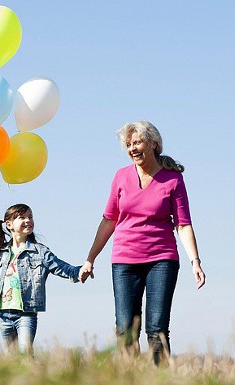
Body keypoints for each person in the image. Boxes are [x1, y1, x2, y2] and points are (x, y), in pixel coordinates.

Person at [78, 120, 206, 365]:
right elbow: (108, 221)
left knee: (156, 328)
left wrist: (195, 262)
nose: (132, 148)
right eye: (128, 144)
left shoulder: (173, 180)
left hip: (162, 260)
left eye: (137, 142)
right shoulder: (120, 177)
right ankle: (130, 377)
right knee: (125, 328)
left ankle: (159, 378)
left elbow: (183, 224)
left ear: (153, 144)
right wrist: (90, 259)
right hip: (124, 261)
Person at [0, 203, 83, 355]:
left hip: (26, 313)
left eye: (30, 217)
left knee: (25, 354)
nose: (28, 220)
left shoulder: (39, 252)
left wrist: (80, 271)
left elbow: (63, 268)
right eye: (22, 217)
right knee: (12, 358)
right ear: (9, 225)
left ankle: (33, 376)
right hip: (3, 314)